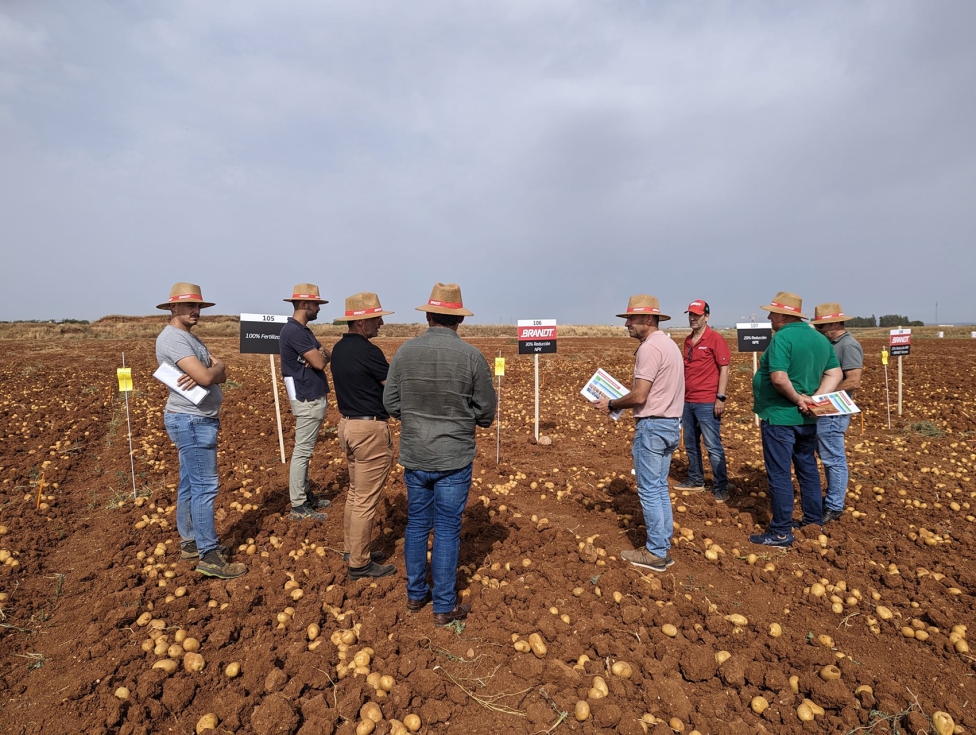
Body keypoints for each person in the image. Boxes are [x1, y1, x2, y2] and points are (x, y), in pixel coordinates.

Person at [383, 283, 496, 626]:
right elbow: (487, 413)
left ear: (429, 316)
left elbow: (390, 403)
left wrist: (415, 419)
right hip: (454, 458)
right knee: (447, 529)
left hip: (416, 455)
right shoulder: (473, 357)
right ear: (458, 319)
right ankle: (444, 607)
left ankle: (416, 595)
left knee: (417, 524)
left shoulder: (404, 352)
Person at [155, 282, 245, 579]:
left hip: (194, 419)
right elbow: (209, 374)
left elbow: (220, 371)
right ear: (173, 308)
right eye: (189, 306)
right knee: (205, 488)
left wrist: (214, 373)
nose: (196, 311)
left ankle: (191, 542)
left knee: (189, 485)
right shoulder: (174, 340)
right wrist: (211, 373)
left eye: (199, 307)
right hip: (193, 421)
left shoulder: (190, 338)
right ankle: (209, 555)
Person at [594, 295, 684, 573]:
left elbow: (640, 395)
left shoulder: (649, 349)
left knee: (649, 490)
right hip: (671, 424)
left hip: (653, 427)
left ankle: (655, 552)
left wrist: (611, 403)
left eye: (631, 319)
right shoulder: (669, 345)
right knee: (658, 487)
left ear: (648, 320)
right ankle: (662, 545)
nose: (627, 324)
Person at [750, 292, 841, 547]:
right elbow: (835, 372)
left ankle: (780, 531)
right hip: (808, 419)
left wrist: (798, 399)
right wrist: (814, 399)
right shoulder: (820, 339)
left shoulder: (781, 338)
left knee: (779, 474)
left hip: (780, 416)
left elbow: (779, 378)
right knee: (808, 469)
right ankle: (813, 521)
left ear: (784, 315)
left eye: (772, 313)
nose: (769, 317)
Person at [330, 292, 398, 580]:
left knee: (356, 493)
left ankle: (352, 549)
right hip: (368, 429)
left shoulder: (338, 349)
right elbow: (392, 387)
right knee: (366, 500)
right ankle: (359, 564)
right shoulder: (369, 352)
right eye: (376, 319)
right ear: (361, 323)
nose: (380, 323)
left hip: (346, 425)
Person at [279, 283, 333, 521]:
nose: (318, 309)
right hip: (307, 397)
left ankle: (305, 496)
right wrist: (319, 357)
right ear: (304, 305)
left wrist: (321, 355)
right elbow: (321, 361)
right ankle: (299, 504)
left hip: (310, 395)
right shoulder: (296, 332)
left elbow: (325, 353)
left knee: (305, 450)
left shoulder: (304, 331)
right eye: (316, 304)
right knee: (302, 451)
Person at [811, 302, 863, 523]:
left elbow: (854, 380)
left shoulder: (848, 345)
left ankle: (834, 506)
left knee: (833, 457)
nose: (818, 330)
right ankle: (832, 499)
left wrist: (824, 395)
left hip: (835, 408)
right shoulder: (830, 344)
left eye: (821, 327)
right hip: (824, 407)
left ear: (833, 323)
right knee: (826, 454)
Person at [675, 300, 732, 502]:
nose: (692, 318)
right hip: (687, 401)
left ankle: (721, 486)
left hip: (707, 401)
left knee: (713, 445)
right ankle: (696, 479)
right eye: (690, 314)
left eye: (697, 315)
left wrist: (720, 397)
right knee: (690, 443)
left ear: (706, 316)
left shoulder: (715, 339)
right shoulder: (687, 341)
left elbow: (724, 368)